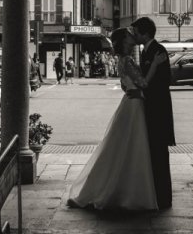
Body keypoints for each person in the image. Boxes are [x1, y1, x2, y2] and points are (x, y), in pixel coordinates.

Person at [67, 27, 167, 210]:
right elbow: (144, 83)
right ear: (124, 41)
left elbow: (123, 85)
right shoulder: (128, 60)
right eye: (129, 35)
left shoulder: (122, 59)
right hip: (135, 103)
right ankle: (131, 191)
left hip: (129, 101)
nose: (132, 36)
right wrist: (155, 64)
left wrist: (131, 87)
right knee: (134, 145)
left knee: (122, 145)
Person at [130, 16, 176, 209]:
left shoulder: (158, 50)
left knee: (159, 153)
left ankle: (164, 197)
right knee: (154, 153)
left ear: (145, 33)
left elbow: (164, 80)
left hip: (157, 109)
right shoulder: (148, 50)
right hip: (152, 108)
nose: (134, 35)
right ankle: (158, 194)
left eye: (136, 32)